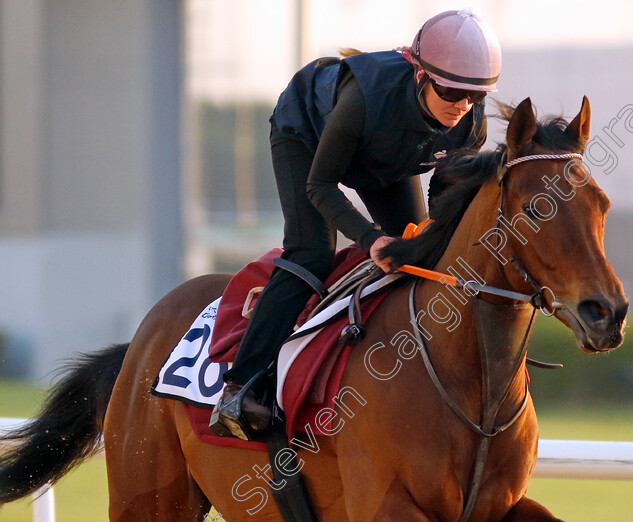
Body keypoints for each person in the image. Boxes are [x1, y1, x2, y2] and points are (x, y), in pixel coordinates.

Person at [210, 9, 502, 440]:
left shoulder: (468, 123)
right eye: (451, 90)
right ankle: (241, 386)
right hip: (306, 135)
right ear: (421, 75)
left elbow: (443, 196)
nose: (462, 105)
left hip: (386, 154)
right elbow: (321, 186)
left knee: (419, 254)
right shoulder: (363, 99)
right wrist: (369, 240)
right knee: (312, 252)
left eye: (474, 96)